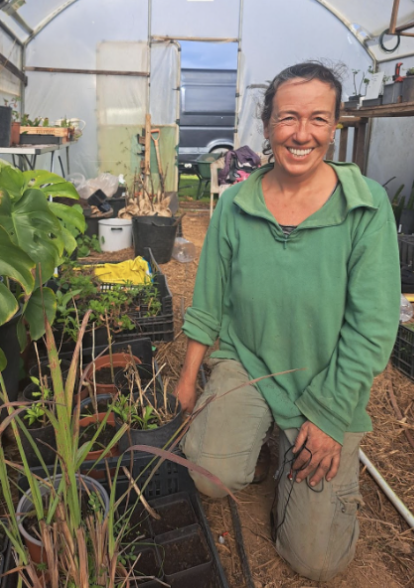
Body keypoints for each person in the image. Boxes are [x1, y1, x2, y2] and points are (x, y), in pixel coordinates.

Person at [174, 62, 400, 582]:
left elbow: (372, 329)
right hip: (249, 358)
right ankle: (257, 440)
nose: (302, 134)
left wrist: (328, 418)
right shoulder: (235, 203)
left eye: (318, 119)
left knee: (316, 562)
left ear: (336, 126)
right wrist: (188, 380)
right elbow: (208, 297)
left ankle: (307, 461)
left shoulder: (365, 208)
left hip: (324, 379)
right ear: (268, 124)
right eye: (288, 118)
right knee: (209, 474)